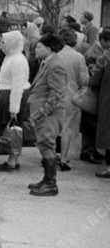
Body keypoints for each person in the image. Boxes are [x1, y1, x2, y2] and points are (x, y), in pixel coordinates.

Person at [27, 34, 70, 196]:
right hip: (45, 114)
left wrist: (41, 113)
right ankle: (46, 179)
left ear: (49, 48)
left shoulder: (55, 65)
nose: (35, 49)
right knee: (44, 145)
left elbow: (57, 95)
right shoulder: (48, 62)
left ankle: (51, 184)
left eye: (39, 47)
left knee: (47, 145)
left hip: (49, 115)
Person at [0, 30, 31, 171]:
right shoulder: (10, 57)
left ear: (12, 43)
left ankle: (12, 160)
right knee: (9, 130)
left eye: (3, 42)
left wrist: (14, 109)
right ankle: (11, 159)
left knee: (13, 130)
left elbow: (17, 86)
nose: (1, 45)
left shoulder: (18, 60)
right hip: (5, 96)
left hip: (12, 97)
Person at [56, 27, 89, 171]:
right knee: (67, 129)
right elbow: (84, 80)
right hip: (71, 97)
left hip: (53, 95)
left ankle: (49, 157)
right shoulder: (78, 57)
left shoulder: (54, 55)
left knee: (53, 128)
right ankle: (64, 158)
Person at [88, 30, 110, 177]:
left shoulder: (106, 56)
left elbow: (94, 80)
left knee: (108, 133)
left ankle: (108, 167)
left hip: (107, 100)